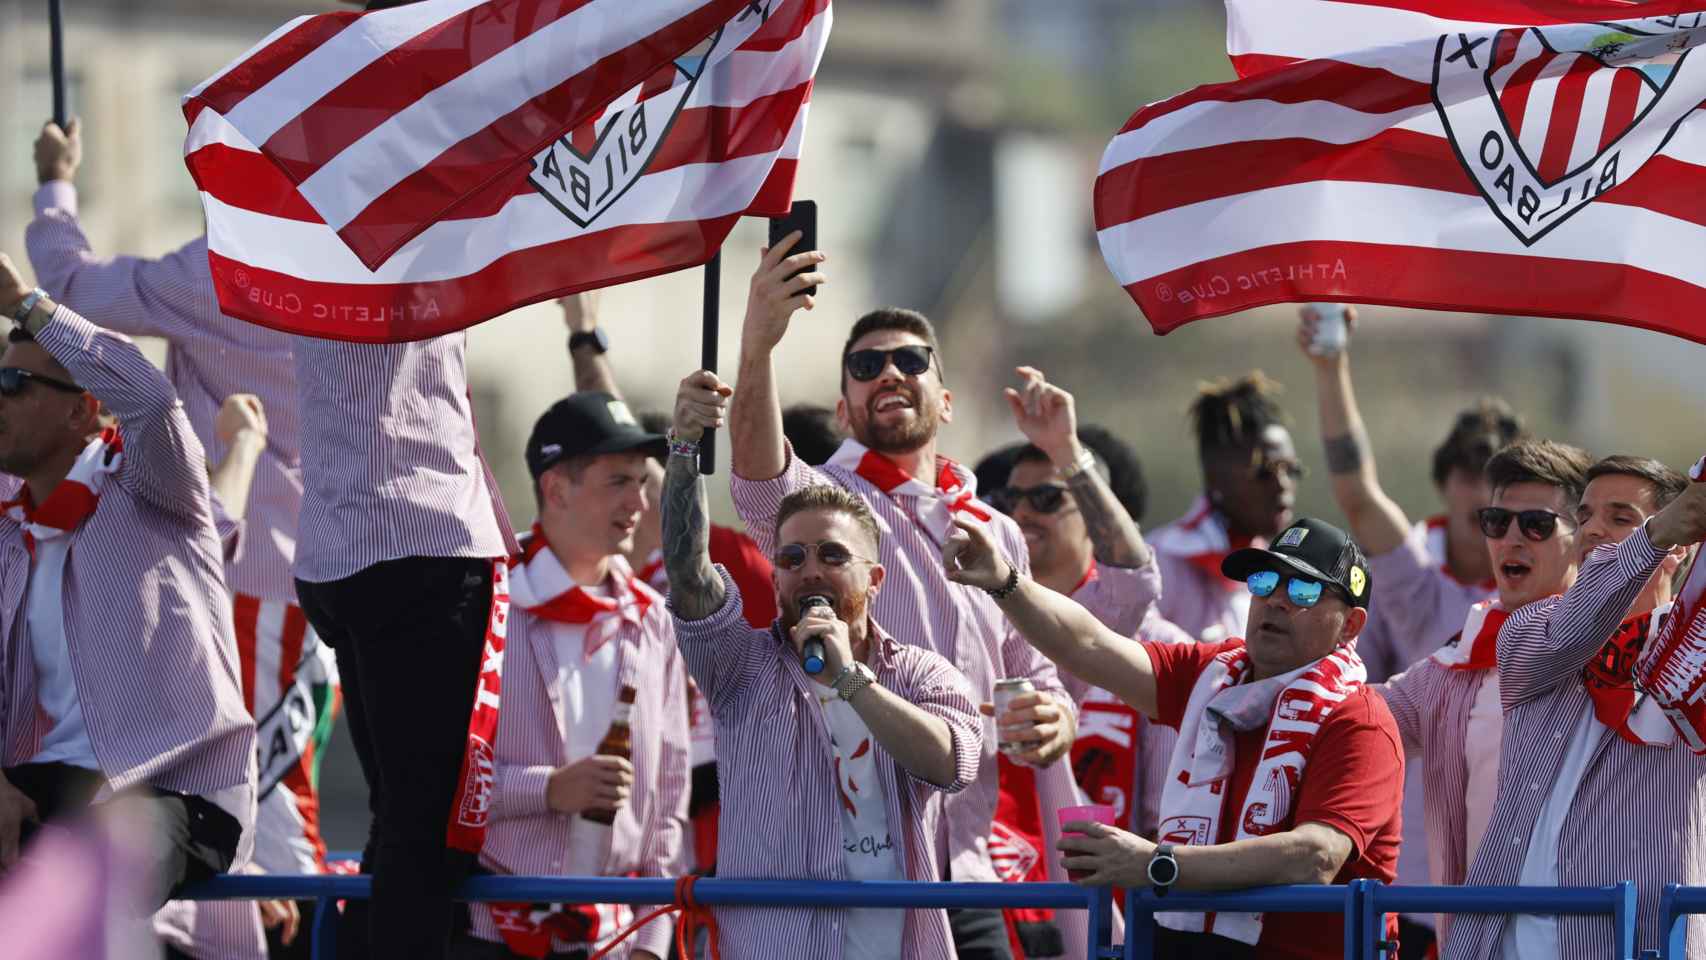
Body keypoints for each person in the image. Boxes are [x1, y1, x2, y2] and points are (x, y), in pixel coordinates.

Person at [30, 116, 336, 958]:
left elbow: (72, 288)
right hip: (310, 560)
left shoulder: (221, 276)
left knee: (253, 784)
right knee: (268, 778)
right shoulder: (337, 261)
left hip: (246, 569)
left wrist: (57, 181)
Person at [726, 236, 1077, 960]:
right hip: (856, 857)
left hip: (972, 863)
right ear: (844, 409)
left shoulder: (998, 530)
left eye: (911, 360)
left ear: (945, 401)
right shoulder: (826, 505)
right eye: (865, 366)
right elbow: (761, 476)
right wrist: (758, 345)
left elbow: (1035, 668)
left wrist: (1057, 717)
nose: (890, 371)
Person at [946, 513, 1403, 960]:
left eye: (1304, 590)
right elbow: (1088, 645)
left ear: (1351, 625)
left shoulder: (1360, 720)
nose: (1276, 600)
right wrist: (1004, 582)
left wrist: (1155, 865)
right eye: (1264, 582)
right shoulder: (1214, 674)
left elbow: (1315, 857)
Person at [663, 368, 981, 958]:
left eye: (833, 555)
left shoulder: (922, 673)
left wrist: (849, 681)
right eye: (792, 557)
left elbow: (951, 764)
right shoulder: (741, 665)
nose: (810, 571)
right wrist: (684, 449)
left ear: (875, 578)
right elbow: (687, 572)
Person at [0, 254, 257, 908]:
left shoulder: (150, 486)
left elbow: (150, 401)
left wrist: (30, 303)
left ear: (83, 412)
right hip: (43, 786)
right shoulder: (7, 521)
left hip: (170, 792)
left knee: (91, 866)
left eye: (14, 383)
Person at [1296, 306, 1525, 957]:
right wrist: (1331, 364)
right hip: (1420, 881)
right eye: (1469, 472)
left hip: (1525, 878)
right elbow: (1357, 493)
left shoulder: (1560, 593)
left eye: (1502, 479)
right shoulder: (1421, 582)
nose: (1483, 494)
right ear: (1444, 482)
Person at [1442, 455, 1706, 960]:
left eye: (1622, 518)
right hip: (1499, 942)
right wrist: (1655, 535)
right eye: (1584, 516)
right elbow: (1572, 633)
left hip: (1638, 941)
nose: (1594, 530)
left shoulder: (1697, 653)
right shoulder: (1529, 628)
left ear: (1683, 548)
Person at [453, 393, 688, 960]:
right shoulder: (485, 608)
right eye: (617, 482)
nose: (640, 500)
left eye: (642, 480)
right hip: (492, 929)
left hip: (617, 939)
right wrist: (550, 789)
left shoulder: (654, 618)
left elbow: (671, 797)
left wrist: (652, 942)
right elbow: (436, 779)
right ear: (556, 488)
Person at [559, 293, 774, 875]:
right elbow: (610, 426)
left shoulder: (728, 553)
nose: (638, 490)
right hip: (642, 796)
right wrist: (582, 331)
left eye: (648, 471)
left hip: (737, 792)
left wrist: (586, 340)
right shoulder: (611, 567)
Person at [1371, 441, 1592, 952]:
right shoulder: (1460, 660)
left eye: (1536, 524)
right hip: (1477, 939)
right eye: (1496, 521)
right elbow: (1362, 719)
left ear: (1583, 538)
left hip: (1597, 934)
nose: (1511, 539)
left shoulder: (1631, 647)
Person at [1150, 373, 1301, 643]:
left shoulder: (1283, 571)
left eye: (1291, 470)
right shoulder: (1160, 563)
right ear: (1215, 477)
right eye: (1264, 472)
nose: (1283, 485)